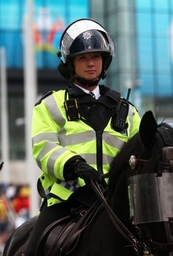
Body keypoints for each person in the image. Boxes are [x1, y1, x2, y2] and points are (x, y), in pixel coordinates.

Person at [23, 18, 141, 256]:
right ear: (70, 64)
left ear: (104, 61)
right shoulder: (49, 105)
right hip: (68, 200)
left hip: (117, 202)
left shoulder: (127, 110)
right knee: (33, 249)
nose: (90, 63)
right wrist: (73, 164)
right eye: (83, 58)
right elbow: (43, 148)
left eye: (96, 57)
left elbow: (141, 154)